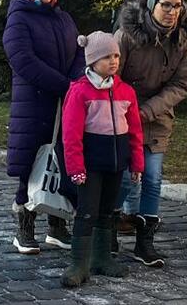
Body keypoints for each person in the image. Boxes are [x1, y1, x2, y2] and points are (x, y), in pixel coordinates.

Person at [114, 0, 187, 268]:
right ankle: (108, 230)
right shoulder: (127, 35)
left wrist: (149, 110)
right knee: (123, 177)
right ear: (152, 5)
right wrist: (128, 111)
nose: (172, 12)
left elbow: (182, 83)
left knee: (152, 177)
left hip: (157, 115)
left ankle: (144, 241)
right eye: (166, 5)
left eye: (177, 6)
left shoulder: (184, 39)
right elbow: (112, 76)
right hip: (123, 113)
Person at [3, 0, 81, 255]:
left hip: (65, 103)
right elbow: (23, 60)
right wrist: (63, 85)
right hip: (33, 104)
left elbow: (79, 53)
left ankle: (57, 227)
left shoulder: (63, 18)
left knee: (62, 161)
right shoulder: (19, 18)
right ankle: (24, 228)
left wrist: (75, 82)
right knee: (31, 164)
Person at [60, 31, 142, 287]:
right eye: (107, 57)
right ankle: (79, 264)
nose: (113, 61)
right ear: (92, 61)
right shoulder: (80, 92)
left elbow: (135, 130)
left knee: (108, 211)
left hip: (115, 164)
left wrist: (136, 163)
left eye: (116, 56)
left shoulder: (126, 91)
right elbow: (71, 134)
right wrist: (75, 167)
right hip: (90, 166)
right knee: (87, 212)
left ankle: (102, 258)